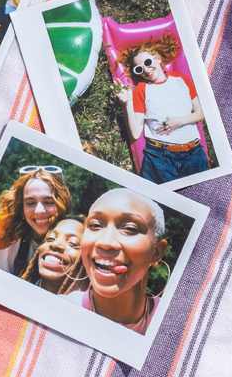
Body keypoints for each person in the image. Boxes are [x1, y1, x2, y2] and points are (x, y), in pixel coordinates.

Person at [115, 35, 210, 182]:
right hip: (160, 156)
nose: (146, 70)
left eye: (148, 62)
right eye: (140, 69)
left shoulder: (181, 79)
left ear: (157, 58)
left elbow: (201, 112)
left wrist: (180, 121)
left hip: (194, 154)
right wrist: (126, 103)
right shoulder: (141, 89)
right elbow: (135, 133)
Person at [77, 189, 168, 333]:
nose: (106, 242)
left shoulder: (174, 325)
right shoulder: (57, 309)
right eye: (95, 225)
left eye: (130, 228)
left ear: (156, 252)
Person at [0, 165, 72, 274]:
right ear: (21, 207)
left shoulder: (73, 246)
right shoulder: (8, 232)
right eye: (30, 203)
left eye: (48, 202)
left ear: (62, 203)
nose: (39, 211)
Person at [20, 216, 86, 294]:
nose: (55, 244)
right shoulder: (18, 292)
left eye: (72, 243)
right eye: (50, 239)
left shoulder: (83, 305)